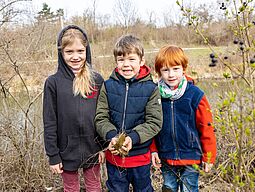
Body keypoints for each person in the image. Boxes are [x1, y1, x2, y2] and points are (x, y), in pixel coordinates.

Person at [95, 34, 163, 192]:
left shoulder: (151, 89)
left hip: (140, 158)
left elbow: (154, 122)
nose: (126, 64)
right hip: (115, 159)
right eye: (121, 59)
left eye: (131, 59)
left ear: (141, 61)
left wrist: (132, 138)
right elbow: (100, 118)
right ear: (116, 62)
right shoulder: (108, 86)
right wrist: (112, 136)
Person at [43, 25, 104, 192]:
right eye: (69, 52)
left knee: (94, 186)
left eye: (80, 51)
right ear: (61, 53)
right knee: (71, 188)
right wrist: (53, 155)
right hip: (66, 150)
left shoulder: (97, 80)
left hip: (93, 148)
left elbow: (103, 116)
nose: (75, 56)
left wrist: (103, 146)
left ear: (87, 51)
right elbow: (49, 122)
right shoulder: (53, 83)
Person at [151, 45, 217, 192]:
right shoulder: (155, 95)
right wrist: (153, 150)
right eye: (165, 70)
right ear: (159, 72)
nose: (171, 74)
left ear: (184, 69)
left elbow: (206, 127)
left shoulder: (195, 95)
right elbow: (151, 125)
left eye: (175, 69)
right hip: (166, 154)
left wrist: (209, 155)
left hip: (191, 154)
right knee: (169, 187)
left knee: (189, 188)